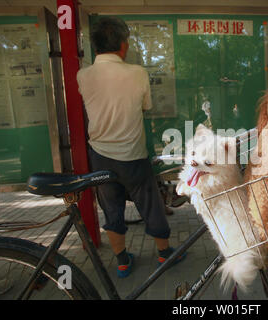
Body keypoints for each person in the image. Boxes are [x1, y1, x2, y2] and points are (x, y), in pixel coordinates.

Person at [77, 17, 186, 278]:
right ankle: (164, 253)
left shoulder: (83, 75)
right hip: (133, 155)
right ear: (123, 45)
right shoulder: (137, 73)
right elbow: (146, 106)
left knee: (111, 206)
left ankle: (122, 261)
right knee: (150, 204)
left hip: (100, 155)